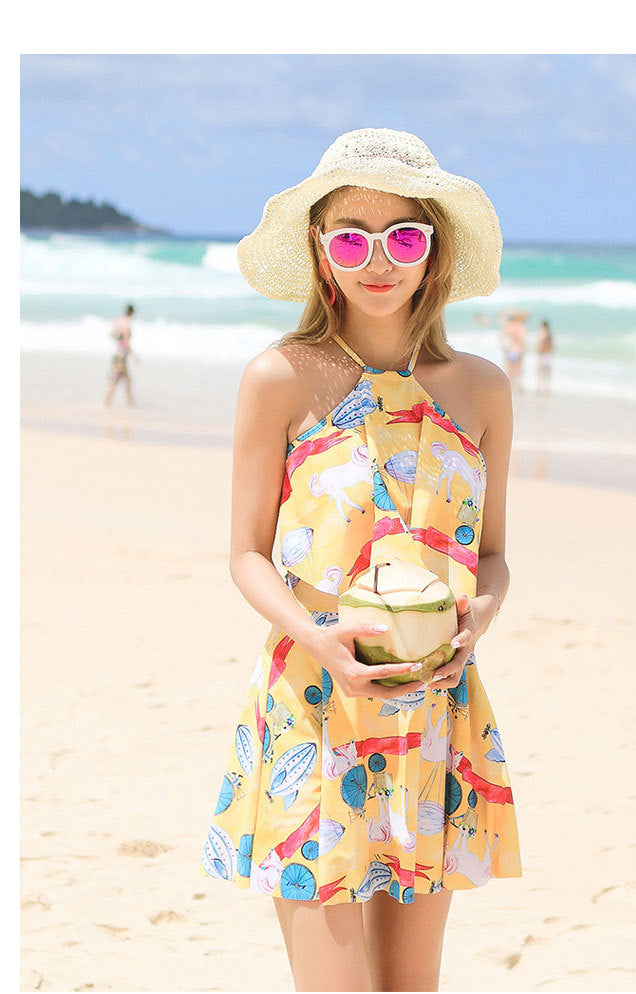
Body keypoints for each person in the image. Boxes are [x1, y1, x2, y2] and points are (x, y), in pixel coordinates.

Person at [199, 128, 522, 992]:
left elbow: (493, 556)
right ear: (320, 250)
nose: (378, 260)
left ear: (433, 251)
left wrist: (478, 619)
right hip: (314, 704)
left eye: (402, 237)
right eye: (351, 238)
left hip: (434, 714)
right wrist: (318, 638)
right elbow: (245, 554)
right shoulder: (279, 377)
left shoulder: (483, 389)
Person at [104, 304, 137, 407]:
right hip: (121, 357)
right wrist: (134, 356)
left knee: (126, 381)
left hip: (117, 354)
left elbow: (111, 334)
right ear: (132, 313)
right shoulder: (127, 324)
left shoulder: (119, 321)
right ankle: (107, 402)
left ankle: (130, 403)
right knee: (117, 380)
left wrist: (119, 339)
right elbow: (126, 343)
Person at [499, 309, 529, 390]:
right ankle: (517, 387)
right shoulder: (521, 326)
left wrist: (509, 312)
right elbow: (522, 340)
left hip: (509, 350)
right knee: (517, 372)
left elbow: (501, 319)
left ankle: (509, 387)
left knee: (509, 371)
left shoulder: (508, 326)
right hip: (518, 351)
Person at [535, 318, 553, 394]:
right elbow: (551, 345)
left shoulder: (543, 333)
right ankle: (544, 387)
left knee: (541, 371)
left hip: (543, 355)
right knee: (545, 371)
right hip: (546, 354)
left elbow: (540, 345)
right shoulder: (548, 334)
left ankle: (541, 387)